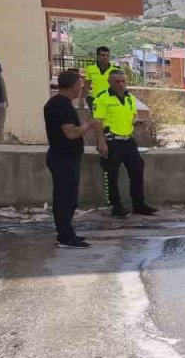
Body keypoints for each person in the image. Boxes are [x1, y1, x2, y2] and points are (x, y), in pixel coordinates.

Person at [44, 70, 104, 249]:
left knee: (67, 197)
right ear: (73, 86)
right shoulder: (61, 106)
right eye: (80, 84)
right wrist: (89, 124)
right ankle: (65, 237)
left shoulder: (58, 103)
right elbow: (71, 133)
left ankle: (67, 232)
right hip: (63, 158)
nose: (82, 88)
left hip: (64, 157)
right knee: (65, 199)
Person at [93, 70, 156, 218]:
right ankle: (116, 206)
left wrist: (136, 122)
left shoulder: (130, 98)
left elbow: (131, 116)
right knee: (111, 174)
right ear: (110, 82)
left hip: (128, 140)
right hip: (111, 141)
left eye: (123, 81)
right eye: (117, 81)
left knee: (137, 169)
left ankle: (138, 204)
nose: (121, 85)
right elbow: (97, 122)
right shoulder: (102, 98)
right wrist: (101, 142)